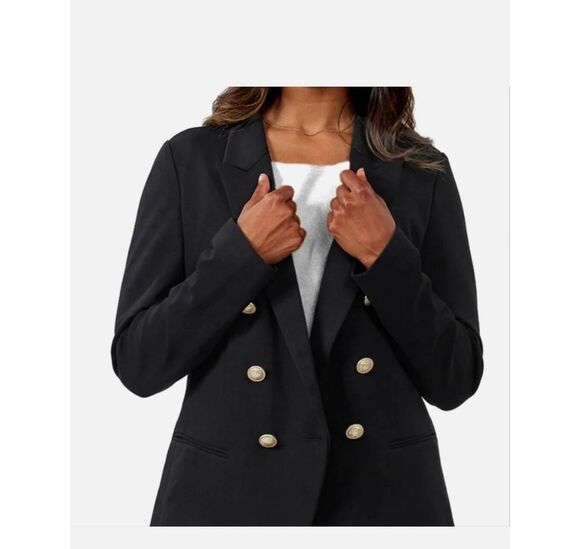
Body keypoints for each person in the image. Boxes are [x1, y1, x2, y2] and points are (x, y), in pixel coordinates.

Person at [111, 87, 484, 526]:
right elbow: (140, 363)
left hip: (379, 502)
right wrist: (241, 256)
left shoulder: (421, 169)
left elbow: (455, 378)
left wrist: (386, 257)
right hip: (229, 502)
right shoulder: (189, 159)